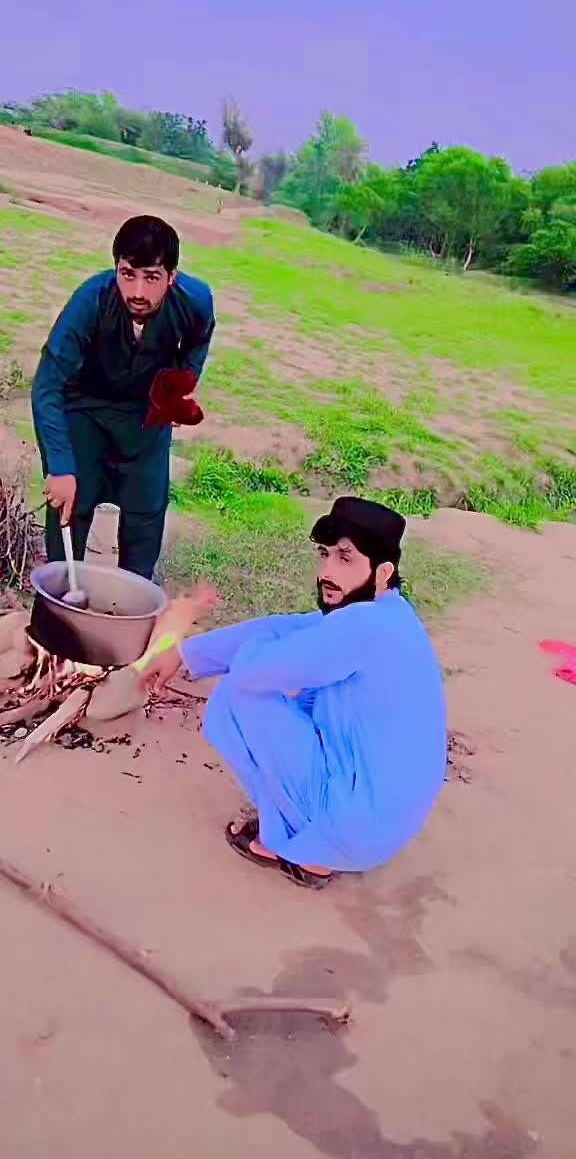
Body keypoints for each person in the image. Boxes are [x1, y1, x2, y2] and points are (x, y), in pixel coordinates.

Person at [143, 497, 447, 888]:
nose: (327, 572)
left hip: (352, 829)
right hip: (382, 828)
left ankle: (299, 849)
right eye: (325, 555)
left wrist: (254, 656)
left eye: (345, 558)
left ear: (382, 572)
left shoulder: (364, 626)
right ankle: (306, 836)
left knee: (241, 693)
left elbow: (255, 670)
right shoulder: (390, 615)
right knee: (298, 692)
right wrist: (186, 654)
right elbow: (283, 628)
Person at [32, 215, 215, 580]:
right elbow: (47, 386)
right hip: (85, 411)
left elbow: (200, 338)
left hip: (145, 419)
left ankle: (131, 604)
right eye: (128, 274)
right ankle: (59, 601)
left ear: (172, 277)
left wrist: (181, 382)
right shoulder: (91, 300)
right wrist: (61, 466)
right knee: (70, 513)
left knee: (145, 520)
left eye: (152, 277)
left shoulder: (196, 300)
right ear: (116, 267)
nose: (137, 292)